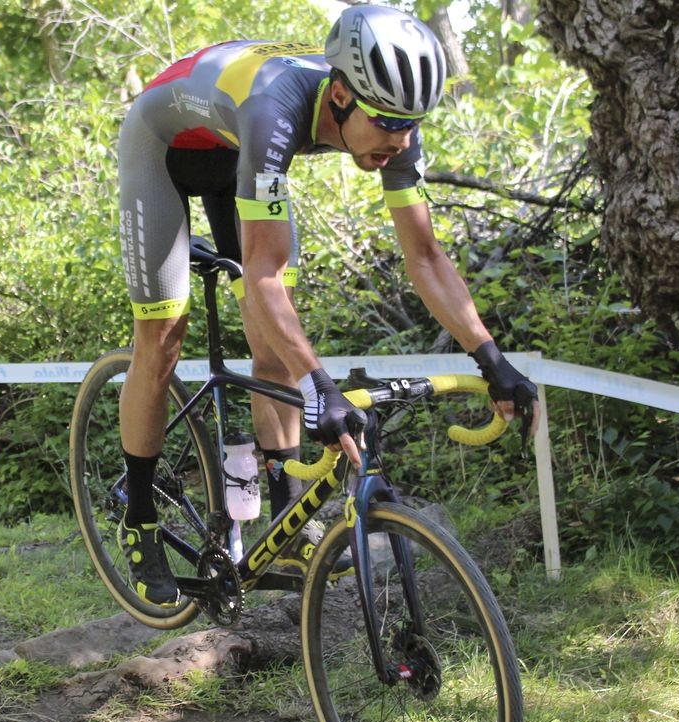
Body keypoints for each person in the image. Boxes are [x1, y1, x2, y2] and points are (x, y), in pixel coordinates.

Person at [116, 5, 538, 605]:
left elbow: (425, 256)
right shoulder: (277, 111)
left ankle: (287, 516)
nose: (401, 140)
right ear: (339, 95)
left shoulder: (395, 134)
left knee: (277, 349)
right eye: (388, 121)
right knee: (162, 342)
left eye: (412, 124)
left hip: (234, 151)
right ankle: (139, 517)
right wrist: (320, 385)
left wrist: (491, 359)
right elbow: (262, 271)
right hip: (165, 147)